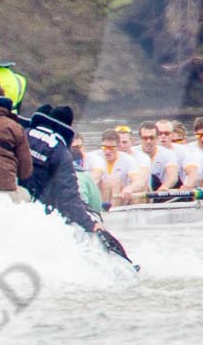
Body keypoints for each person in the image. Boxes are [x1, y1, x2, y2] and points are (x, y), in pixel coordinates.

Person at [26, 105, 132, 264]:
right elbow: (70, 199)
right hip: (45, 213)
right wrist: (90, 224)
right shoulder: (60, 152)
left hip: (21, 205)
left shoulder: (25, 134)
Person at [85, 129, 150, 206]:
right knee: (106, 182)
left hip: (120, 197)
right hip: (98, 196)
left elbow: (139, 181)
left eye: (111, 148)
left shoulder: (127, 159)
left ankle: (113, 211)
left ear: (118, 146)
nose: (107, 151)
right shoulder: (93, 157)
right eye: (105, 147)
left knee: (118, 182)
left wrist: (129, 189)